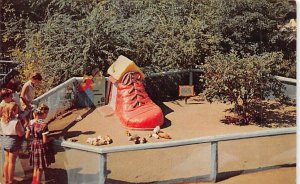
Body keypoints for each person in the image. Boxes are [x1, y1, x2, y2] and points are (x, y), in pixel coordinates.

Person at [26, 104, 55, 184]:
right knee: (40, 168)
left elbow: (27, 136)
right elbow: (45, 140)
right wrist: (51, 138)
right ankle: (37, 182)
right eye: (47, 113)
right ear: (44, 113)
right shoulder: (44, 125)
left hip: (33, 144)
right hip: (40, 146)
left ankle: (34, 181)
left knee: (36, 166)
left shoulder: (31, 123)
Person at [1, 102, 25, 184]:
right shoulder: (16, 121)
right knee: (12, 162)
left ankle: (6, 179)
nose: (18, 112)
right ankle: (11, 181)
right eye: (16, 111)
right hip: (14, 141)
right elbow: (20, 133)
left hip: (5, 140)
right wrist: (24, 130)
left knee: (6, 161)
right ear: (13, 111)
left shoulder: (2, 120)